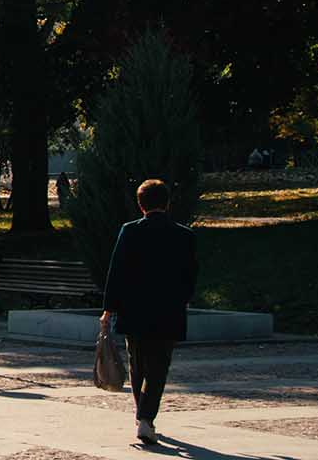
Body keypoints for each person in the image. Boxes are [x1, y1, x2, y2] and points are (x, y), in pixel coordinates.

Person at [102, 178, 198, 446]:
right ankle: (146, 418)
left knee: (137, 364)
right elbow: (190, 275)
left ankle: (141, 415)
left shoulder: (130, 231)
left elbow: (116, 271)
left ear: (140, 204)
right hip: (168, 309)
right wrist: (184, 300)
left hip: (133, 309)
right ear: (167, 203)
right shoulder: (184, 235)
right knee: (159, 366)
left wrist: (108, 309)